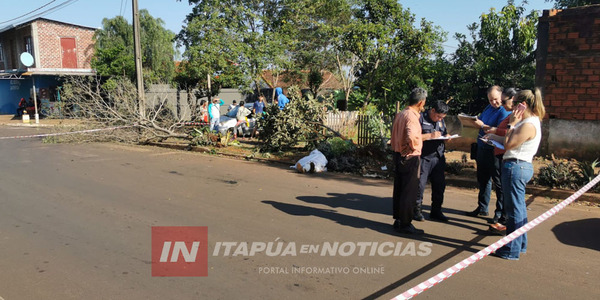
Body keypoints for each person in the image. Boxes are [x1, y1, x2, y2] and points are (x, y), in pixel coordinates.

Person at [491, 89, 545, 260]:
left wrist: (511, 124)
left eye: (514, 104)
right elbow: (509, 141)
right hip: (518, 166)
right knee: (518, 208)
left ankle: (511, 249)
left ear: (524, 105)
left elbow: (509, 145)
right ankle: (520, 244)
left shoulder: (528, 124)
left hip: (516, 167)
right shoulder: (529, 121)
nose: (512, 107)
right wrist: (493, 136)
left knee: (514, 211)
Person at [467, 86, 510, 219]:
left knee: (498, 182)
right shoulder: (488, 108)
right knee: (483, 179)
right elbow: (481, 120)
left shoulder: (504, 111)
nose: (494, 103)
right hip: (482, 147)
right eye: (491, 100)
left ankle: (499, 213)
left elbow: (497, 130)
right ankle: (482, 207)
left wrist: (481, 125)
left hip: (494, 150)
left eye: (496, 99)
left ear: (501, 96)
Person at [391, 87, 428, 235]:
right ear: (420, 102)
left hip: (398, 154)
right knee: (409, 191)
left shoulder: (401, 114)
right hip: (410, 157)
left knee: (400, 189)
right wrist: (412, 147)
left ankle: (399, 219)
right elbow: (411, 136)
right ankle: (405, 223)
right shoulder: (412, 116)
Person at [484, 87, 517, 228]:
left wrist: (494, 131)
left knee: (504, 189)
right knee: (500, 186)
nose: (500, 104)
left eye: (502, 101)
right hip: (498, 152)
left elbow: (510, 134)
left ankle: (503, 218)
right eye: (491, 100)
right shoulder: (510, 113)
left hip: (507, 156)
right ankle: (502, 216)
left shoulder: (514, 116)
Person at [415, 100, 450, 222]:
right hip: (424, 157)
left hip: (438, 157)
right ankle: (416, 210)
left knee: (439, 186)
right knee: (420, 185)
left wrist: (447, 137)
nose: (440, 119)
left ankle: (436, 211)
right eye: (438, 116)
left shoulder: (440, 121)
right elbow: (414, 137)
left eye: (442, 118)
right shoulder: (420, 119)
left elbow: (443, 132)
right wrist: (430, 136)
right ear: (432, 110)